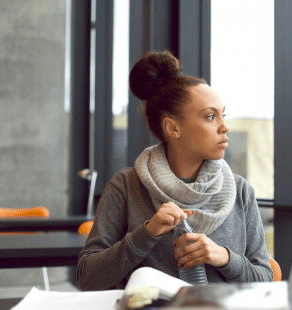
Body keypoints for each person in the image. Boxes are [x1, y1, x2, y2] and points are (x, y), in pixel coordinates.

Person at [77, 50, 273, 290]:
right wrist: (147, 233)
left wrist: (224, 257)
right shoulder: (126, 185)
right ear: (172, 128)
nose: (225, 127)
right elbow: (87, 278)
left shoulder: (241, 190)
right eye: (210, 116)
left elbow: (265, 279)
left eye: (223, 115)